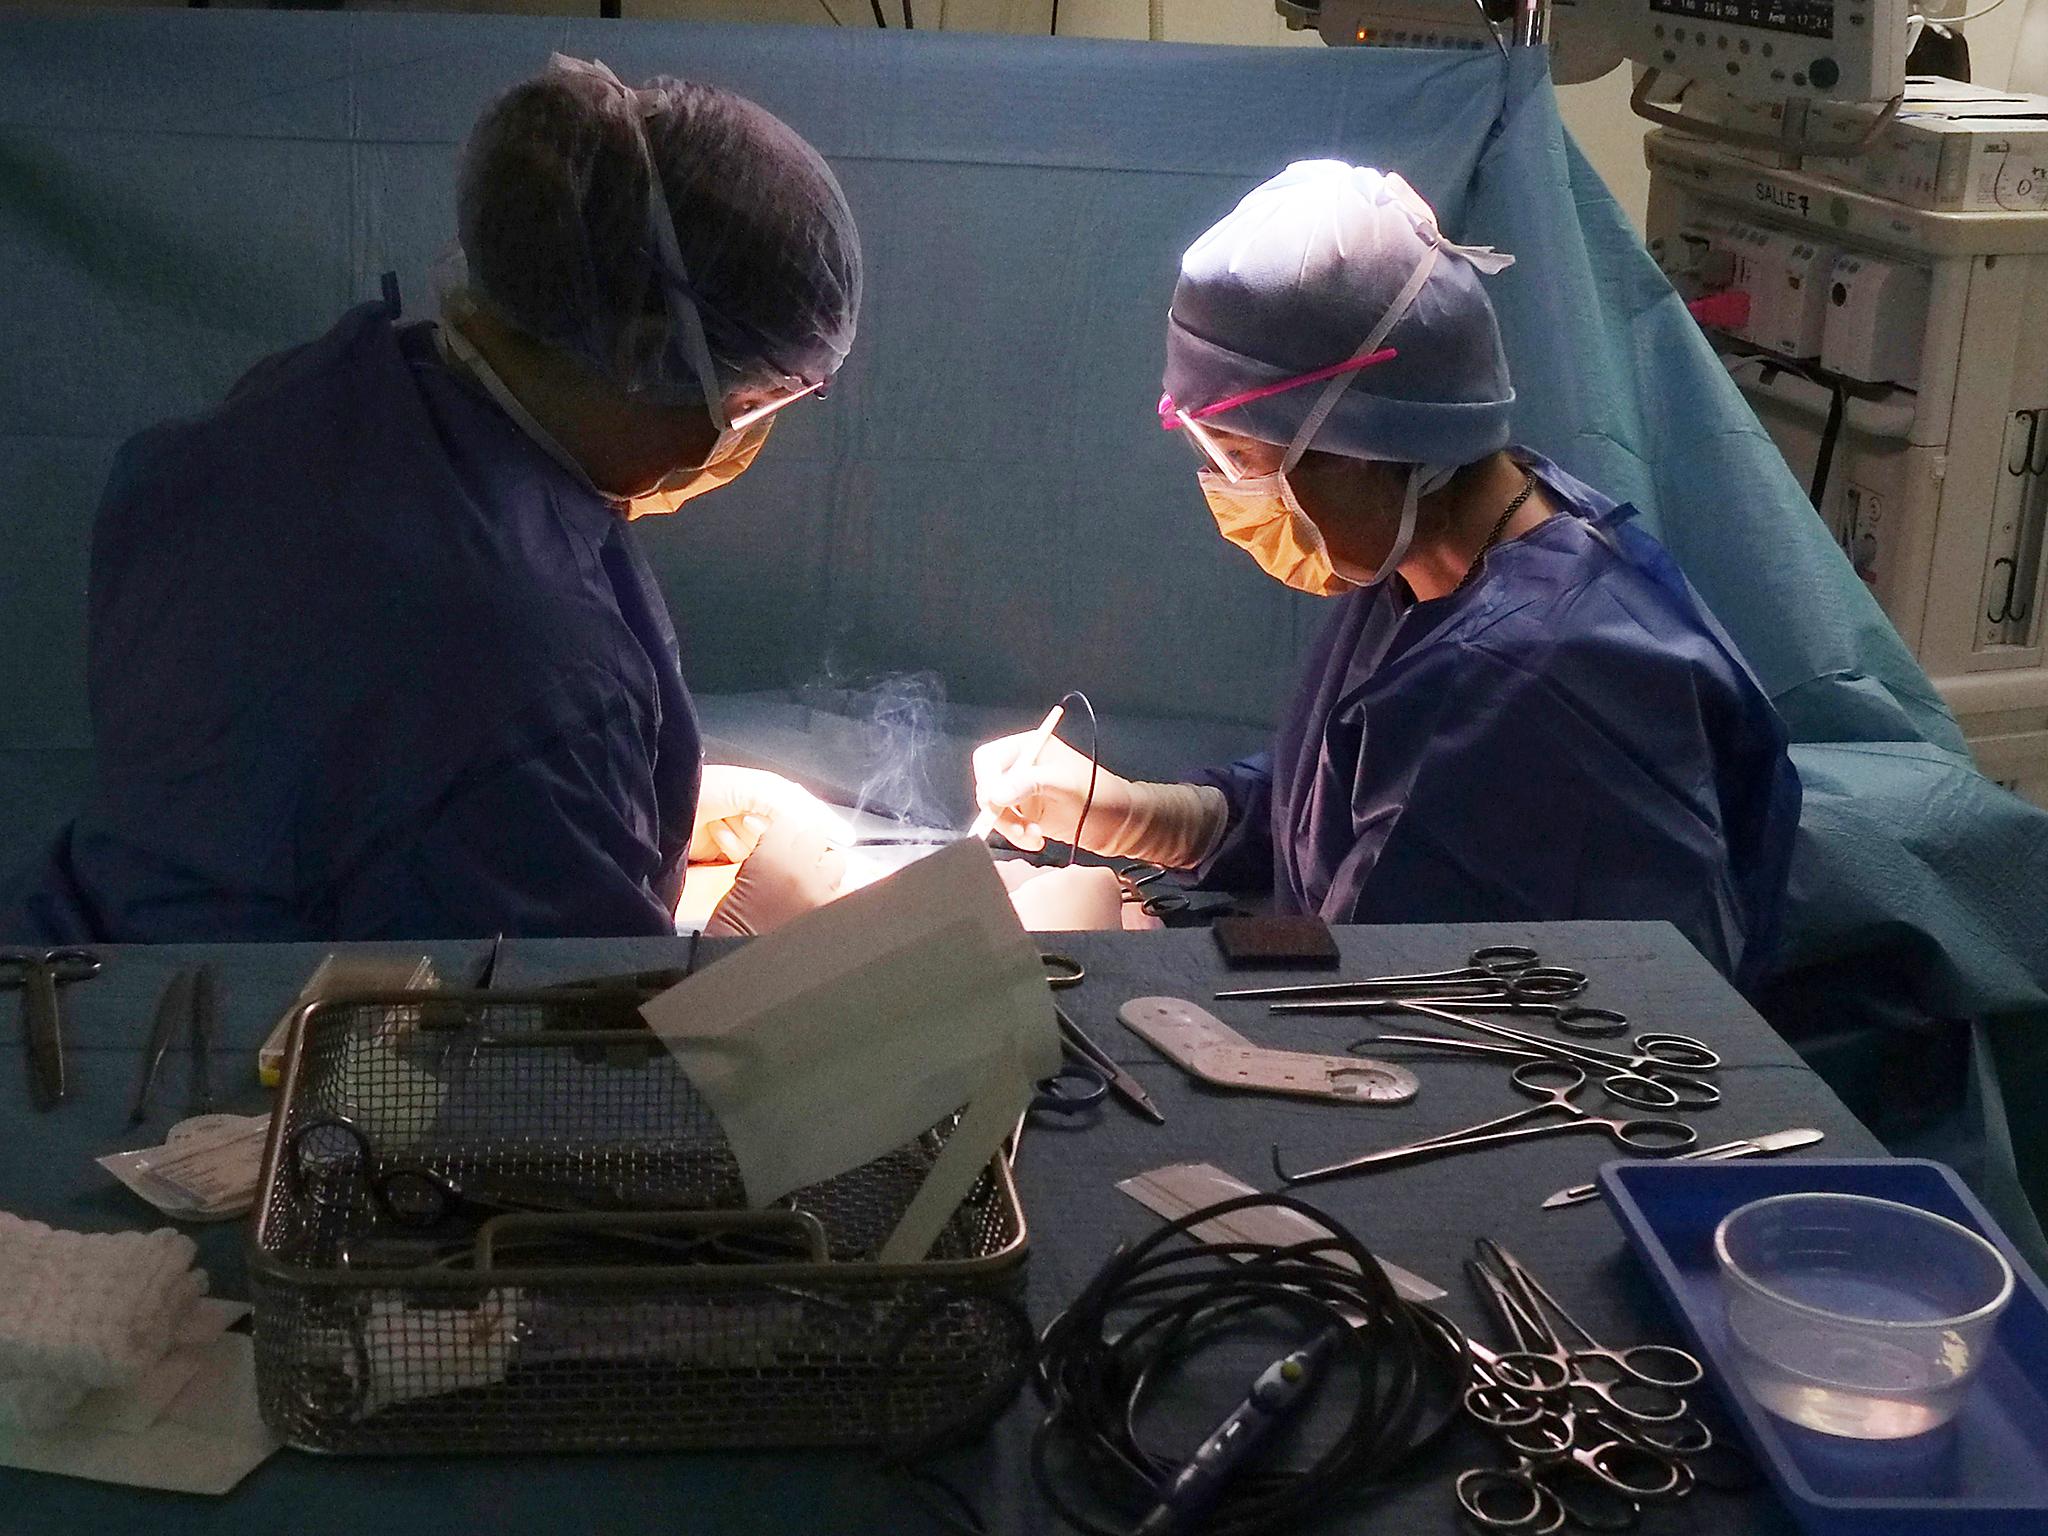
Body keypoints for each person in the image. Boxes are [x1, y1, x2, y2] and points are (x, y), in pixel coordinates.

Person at [0, 56, 857, 942]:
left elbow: (333, 762)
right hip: (243, 1049)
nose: (746, 437)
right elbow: (574, 1042)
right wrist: (743, 944)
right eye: (758, 402)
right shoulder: (534, 662)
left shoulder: (310, 398)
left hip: (76, 949)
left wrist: (596, 806)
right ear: (646, 352)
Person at [974, 162, 1801, 985]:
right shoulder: (1438, 555)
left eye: (1244, 458)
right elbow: (1336, 813)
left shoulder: (1530, 686)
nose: (1230, 495)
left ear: (1373, 446)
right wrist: (1145, 817)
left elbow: (1385, 1004)